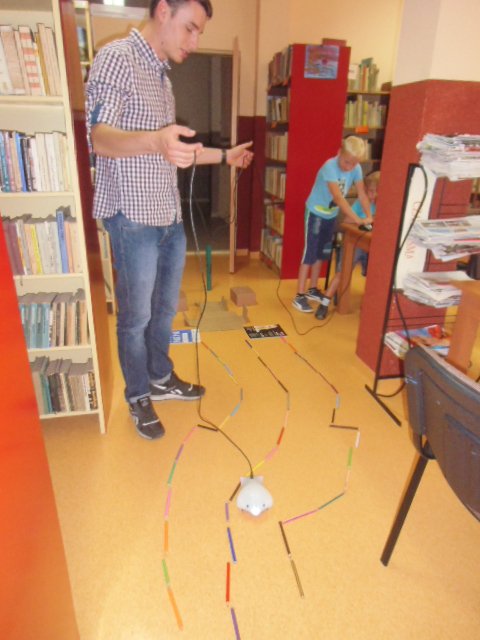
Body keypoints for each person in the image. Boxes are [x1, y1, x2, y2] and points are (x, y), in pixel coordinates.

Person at [86, 0, 253, 441]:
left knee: (164, 311)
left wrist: (225, 156)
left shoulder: (162, 77)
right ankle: (138, 395)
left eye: (200, 33)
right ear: (163, 10)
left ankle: (160, 377)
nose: (194, 42)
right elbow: (100, 138)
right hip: (133, 218)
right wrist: (156, 141)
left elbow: (173, 150)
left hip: (169, 217)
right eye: (190, 28)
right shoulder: (117, 57)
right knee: (136, 318)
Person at [292, 136, 373, 315]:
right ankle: (299, 295)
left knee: (321, 253)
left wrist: (368, 216)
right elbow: (338, 197)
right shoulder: (329, 167)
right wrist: (357, 219)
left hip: (331, 215)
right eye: (346, 162)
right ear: (339, 153)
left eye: (354, 163)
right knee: (309, 254)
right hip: (315, 214)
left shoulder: (356, 168)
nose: (349, 167)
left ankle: (312, 289)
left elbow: (362, 194)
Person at [314, 170, 380, 320]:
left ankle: (370, 304)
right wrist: (362, 219)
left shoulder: (384, 205)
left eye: (375, 192)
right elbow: (346, 221)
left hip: (373, 246)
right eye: (369, 191)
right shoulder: (361, 203)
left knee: (375, 274)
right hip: (355, 243)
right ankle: (325, 302)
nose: (371, 195)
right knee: (342, 271)